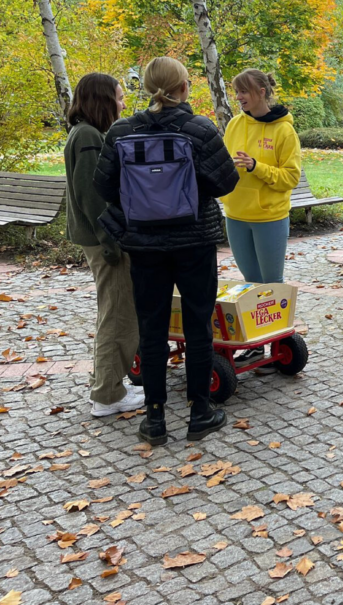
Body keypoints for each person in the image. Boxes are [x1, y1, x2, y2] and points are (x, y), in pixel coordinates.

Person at [94, 56, 239, 445]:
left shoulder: (122, 131)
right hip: (194, 241)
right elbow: (227, 181)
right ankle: (199, 412)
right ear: (183, 88)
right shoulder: (199, 128)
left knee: (152, 329)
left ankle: (155, 418)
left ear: (145, 88)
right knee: (197, 326)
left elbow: (105, 187)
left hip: (144, 245)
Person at [64, 73, 144, 417]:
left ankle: (110, 386)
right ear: (103, 99)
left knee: (116, 312)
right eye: (119, 97)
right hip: (104, 242)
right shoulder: (88, 136)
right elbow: (91, 195)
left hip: (100, 239)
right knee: (118, 316)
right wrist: (112, 243)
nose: (123, 103)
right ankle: (107, 395)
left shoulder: (86, 132)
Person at [221, 69, 301, 370]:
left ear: (263, 92)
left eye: (244, 91)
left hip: (269, 217)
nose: (239, 97)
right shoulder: (234, 124)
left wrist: (257, 166)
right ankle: (255, 346)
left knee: (272, 286)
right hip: (236, 215)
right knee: (251, 285)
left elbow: (290, 177)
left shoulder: (284, 131)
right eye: (236, 91)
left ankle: (277, 346)